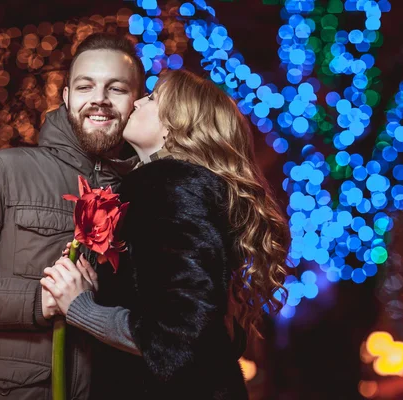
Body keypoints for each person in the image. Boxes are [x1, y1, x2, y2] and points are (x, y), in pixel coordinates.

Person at [0, 32, 144, 400]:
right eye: (85, 86)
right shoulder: (1, 172)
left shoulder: (148, 196)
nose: (99, 99)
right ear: (66, 97)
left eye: (116, 89)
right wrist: (39, 300)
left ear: (137, 101)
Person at [41, 69, 290, 399]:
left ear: (179, 122)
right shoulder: (179, 192)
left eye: (153, 98)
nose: (137, 101)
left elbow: (181, 336)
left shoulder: (171, 189)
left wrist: (81, 307)